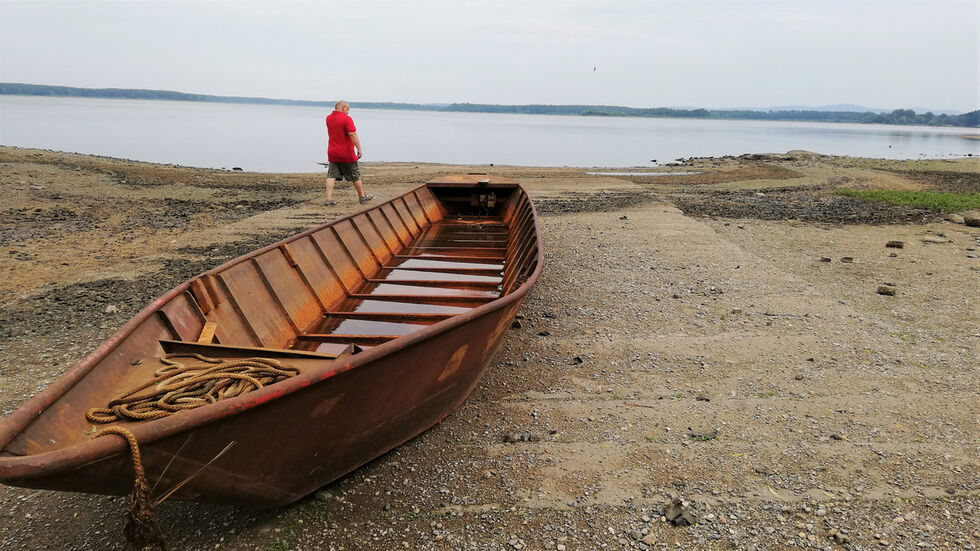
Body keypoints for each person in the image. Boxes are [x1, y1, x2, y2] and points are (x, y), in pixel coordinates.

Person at [324, 100, 372, 205]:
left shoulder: (328, 118)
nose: (348, 111)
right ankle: (362, 197)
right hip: (346, 153)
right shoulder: (347, 119)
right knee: (355, 175)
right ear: (343, 107)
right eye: (348, 109)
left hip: (332, 152)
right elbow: (352, 134)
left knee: (331, 176)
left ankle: (328, 199)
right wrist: (359, 148)